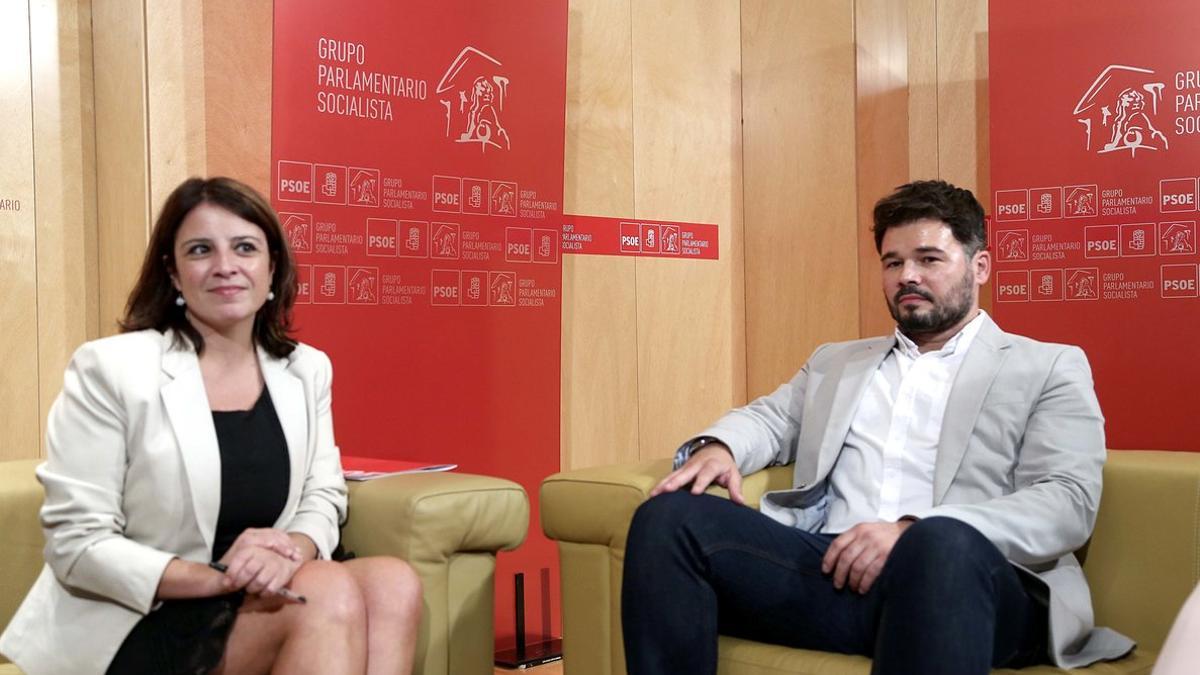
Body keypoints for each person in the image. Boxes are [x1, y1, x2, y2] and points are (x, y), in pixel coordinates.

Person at [621, 180, 1134, 674]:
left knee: (940, 547)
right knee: (669, 518)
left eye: (928, 259)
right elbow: (772, 420)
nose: (907, 275)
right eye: (893, 262)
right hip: (835, 573)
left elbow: (1066, 501)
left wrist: (913, 530)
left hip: (971, 581)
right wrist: (720, 446)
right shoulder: (838, 362)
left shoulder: (1047, 366)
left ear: (980, 267)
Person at [0, 177, 422, 675]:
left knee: (393, 583)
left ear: (272, 270)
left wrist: (292, 553)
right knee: (323, 589)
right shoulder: (111, 368)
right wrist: (220, 577)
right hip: (140, 614)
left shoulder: (306, 369)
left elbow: (322, 494)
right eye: (201, 250)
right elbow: (78, 544)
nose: (225, 266)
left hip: (250, 596)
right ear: (174, 274)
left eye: (245, 247)